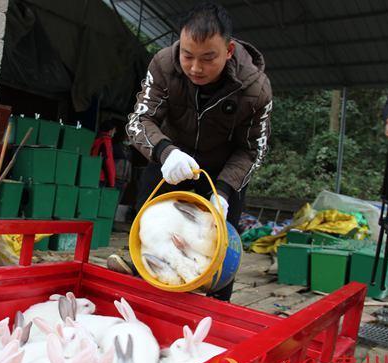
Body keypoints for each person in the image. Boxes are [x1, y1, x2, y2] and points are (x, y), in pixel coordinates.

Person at [109, 2, 272, 302]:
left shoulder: (256, 89)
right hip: (171, 162)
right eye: (187, 55)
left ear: (229, 51)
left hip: (223, 174)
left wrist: (223, 190)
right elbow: (139, 120)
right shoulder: (163, 65)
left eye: (208, 58)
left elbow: (252, 151)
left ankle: (213, 317)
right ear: (179, 46)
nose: (195, 67)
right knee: (154, 239)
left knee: (219, 259)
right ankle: (147, 295)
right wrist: (164, 150)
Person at [91, 120, 117, 188]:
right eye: (114, 130)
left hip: (92, 174)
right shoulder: (106, 142)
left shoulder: (97, 139)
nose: (115, 132)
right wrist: (112, 183)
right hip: (101, 177)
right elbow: (108, 162)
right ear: (110, 131)